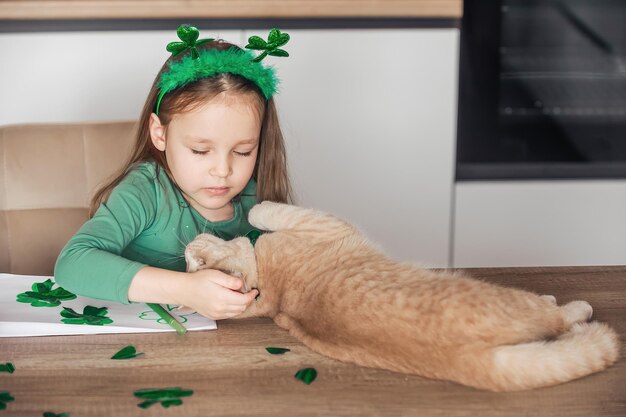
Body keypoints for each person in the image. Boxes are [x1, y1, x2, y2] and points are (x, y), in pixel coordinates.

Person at [54, 25, 292, 320]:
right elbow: (73, 263)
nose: (222, 171)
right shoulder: (145, 191)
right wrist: (186, 289)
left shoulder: (257, 199)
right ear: (160, 133)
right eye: (200, 150)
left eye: (243, 151)